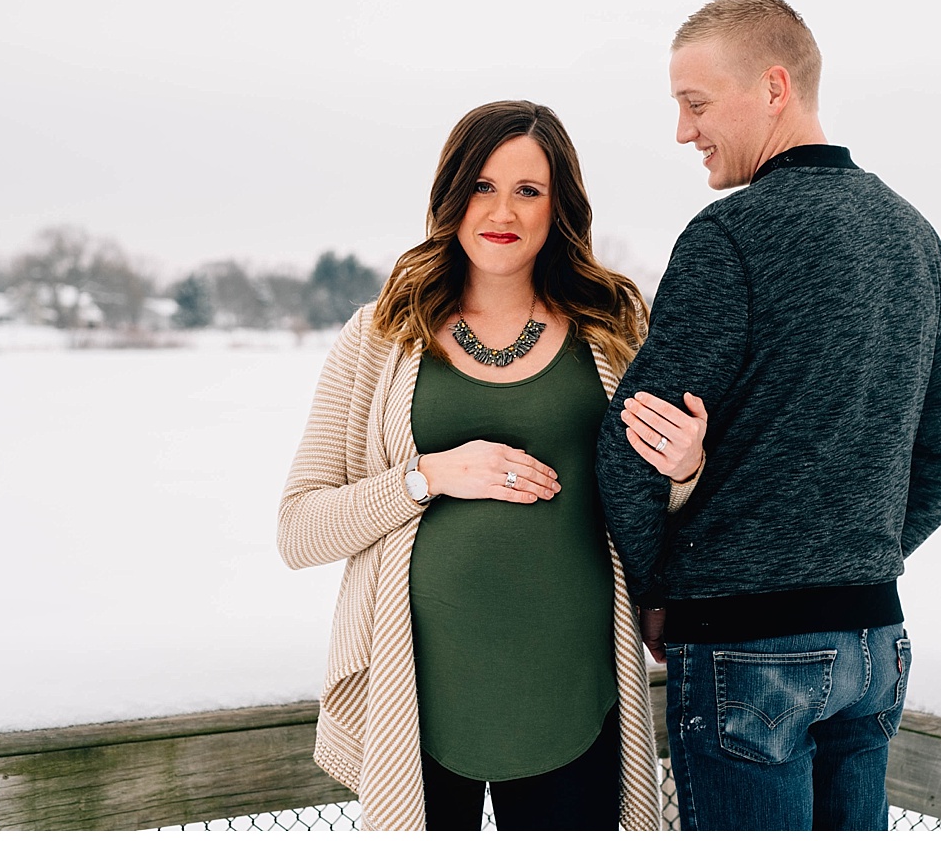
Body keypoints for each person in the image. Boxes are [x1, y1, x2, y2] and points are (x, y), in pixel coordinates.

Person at [596, 0, 941, 831]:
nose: (683, 131)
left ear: (774, 87)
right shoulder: (912, 233)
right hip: (873, 643)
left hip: (744, 647)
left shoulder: (730, 236)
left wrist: (657, 588)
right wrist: (859, 555)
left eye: (696, 103)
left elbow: (629, 446)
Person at [277, 100, 704, 831]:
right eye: (481, 185)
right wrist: (429, 476)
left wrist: (686, 470)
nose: (501, 211)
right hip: (419, 699)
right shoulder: (381, 334)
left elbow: (653, 503)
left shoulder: (612, 329)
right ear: (452, 195)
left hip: (572, 688)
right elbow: (298, 529)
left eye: (527, 190)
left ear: (558, 206)